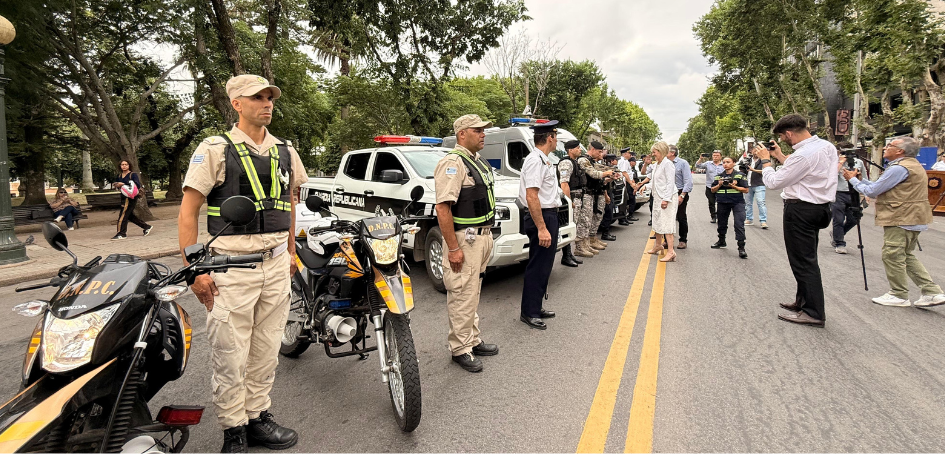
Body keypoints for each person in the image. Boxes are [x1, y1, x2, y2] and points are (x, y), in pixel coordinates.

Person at [178, 74, 307, 452]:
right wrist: (194, 270)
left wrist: (292, 252)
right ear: (237, 103)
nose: (267, 103)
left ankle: (257, 417)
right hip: (231, 267)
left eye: (270, 97)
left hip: (276, 264)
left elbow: (289, 205)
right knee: (230, 353)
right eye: (257, 97)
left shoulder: (286, 151)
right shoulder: (215, 149)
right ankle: (233, 428)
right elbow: (188, 212)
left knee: (266, 349)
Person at [754, 114, 837, 327]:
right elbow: (802, 171)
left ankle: (813, 312)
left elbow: (774, 182)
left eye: (782, 137)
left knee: (802, 262)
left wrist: (765, 161)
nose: (782, 140)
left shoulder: (803, 155)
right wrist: (780, 156)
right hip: (820, 208)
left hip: (801, 210)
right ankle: (803, 301)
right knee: (807, 257)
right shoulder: (826, 147)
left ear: (789, 133)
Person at [843, 137, 945, 307]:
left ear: (900, 151)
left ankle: (899, 294)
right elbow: (881, 186)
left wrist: (852, 180)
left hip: (901, 217)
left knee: (892, 255)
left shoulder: (899, 168)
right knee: (905, 255)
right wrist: (860, 180)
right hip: (913, 216)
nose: (885, 147)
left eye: (890, 145)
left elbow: (873, 192)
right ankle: (931, 291)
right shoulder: (911, 165)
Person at [433, 114, 500, 372]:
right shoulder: (453, 163)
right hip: (465, 238)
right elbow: (443, 208)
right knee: (462, 292)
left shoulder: (477, 161)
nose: (483, 134)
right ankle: (460, 348)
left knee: (472, 291)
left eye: (484, 130)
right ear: (462, 134)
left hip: (481, 237)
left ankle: (472, 339)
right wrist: (452, 248)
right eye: (478, 130)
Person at [519, 120, 563, 330]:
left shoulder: (543, 159)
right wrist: (542, 227)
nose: (557, 141)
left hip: (548, 214)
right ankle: (529, 312)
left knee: (544, 265)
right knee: (538, 265)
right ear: (550, 138)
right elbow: (532, 195)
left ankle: (536, 305)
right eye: (556, 137)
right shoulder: (535, 160)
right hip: (541, 216)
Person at [830, 142, 866, 254]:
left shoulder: (859, 162)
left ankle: (837, 234)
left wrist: (866, 195)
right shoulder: (834, 162)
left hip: (853, 193)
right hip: (838, 193)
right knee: (838, 219)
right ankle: (839, 243)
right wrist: (840, 162)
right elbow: (830, 177)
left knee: (854, 219)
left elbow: (864, 178)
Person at [578, 141, 614, 253]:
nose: (600, 154)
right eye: (599, 151)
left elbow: (599, 175)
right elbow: (594, 174)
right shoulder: (583, 160)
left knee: (594, 218)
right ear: (592, 149)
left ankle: (590, 241)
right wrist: (606, 173)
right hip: (586, 194)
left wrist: (610, 176)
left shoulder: (591, 161)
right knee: (584, 221)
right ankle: (581, 246)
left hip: (594, 193)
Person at [710, 157, 749, 259]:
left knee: (739, 224)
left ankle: (741, 248)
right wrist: (719, 185)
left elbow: (746, 190)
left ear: (734, 163)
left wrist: (735, 186)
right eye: (724, 163)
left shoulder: (740, 175)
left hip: (737, 202)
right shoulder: (719, 177)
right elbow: (712, 190)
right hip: (722, 202)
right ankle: (721, 241)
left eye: (728, 162)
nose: (725, 164)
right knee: (721, 223)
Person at [646, 141, 677, 262]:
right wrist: (646, 186)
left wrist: (666, 199)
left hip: (666, 197)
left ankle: (671, 251)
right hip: (658, 196)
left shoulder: (667, 164)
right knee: (657, 221)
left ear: (661, 151)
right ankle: (658, 245)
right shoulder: (657, 164)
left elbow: (670, 183)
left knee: (667, 224)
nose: (653, 154)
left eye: (654, 152)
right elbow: (655, 181)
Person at [557, 139, 587, 265]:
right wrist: (569, 201)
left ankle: (569, 254)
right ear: (571, 150)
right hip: (572, 197)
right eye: (578, 148)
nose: (580, 150)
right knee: (570, 226)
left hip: (577, 197)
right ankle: (566, 256)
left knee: (574, 225)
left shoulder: (574, 162)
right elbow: (564, 183)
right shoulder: (566, 163)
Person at [111, 160, 153, 240]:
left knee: (123, 215)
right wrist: (117, 185)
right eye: (122, 164)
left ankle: (121, 233)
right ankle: (146, 227)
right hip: (123, 196)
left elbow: (137, 184)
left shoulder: (133, 175)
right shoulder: (119, 175)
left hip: (131, 197)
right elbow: (119, 186)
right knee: (129, 215)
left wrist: (123, 184)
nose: (124, 166)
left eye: (126, 164)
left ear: (129, 165)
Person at [667, 145, 693, 249]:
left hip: (680, 192)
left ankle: (683, 240)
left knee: (681, 216)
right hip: (668, 192)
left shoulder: (683, 163)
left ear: (672, 153)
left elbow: (688, 181)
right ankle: (667, 241)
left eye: (666, 151)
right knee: (668, 217)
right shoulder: (665, 163)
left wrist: (682, 195)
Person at [743, 146, 769, 229]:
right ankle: (749, 219)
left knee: (761, 202)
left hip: (759, 184)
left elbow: (766, 171)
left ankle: (763, 221)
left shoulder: (763, 161)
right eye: (754, 150)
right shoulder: (748, 160)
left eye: (758, 151)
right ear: (752, 151)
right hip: (748, 184)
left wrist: (753, 170)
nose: (756, 152)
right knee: (748, 203)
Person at [695, 150, 724, 223]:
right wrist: (700, 159)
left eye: (717, 156)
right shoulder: (708, 164)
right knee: (711, 202)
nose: (715, 157)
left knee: (721, 202)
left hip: (721, 186)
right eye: (714, 155)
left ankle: (720, 216)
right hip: (710, 186)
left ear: (720, 157)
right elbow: (698, 166)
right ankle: (713, 216)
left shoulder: (724, 164)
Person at [596, 154, 619, 241]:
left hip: (609, 191)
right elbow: (603, 183)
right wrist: (606, 195)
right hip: (605, 191)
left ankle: (606, 232)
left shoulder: (608, 168)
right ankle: (605, 233)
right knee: (607, 212)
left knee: (609, 212)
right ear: (611, 161)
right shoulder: (604, 168)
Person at [617, 148, 641, 225]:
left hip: (626, 183)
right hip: (624, 183)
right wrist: (631, 183)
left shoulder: (625, 161)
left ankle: (624, 217)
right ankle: (622, 219)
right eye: (629, 153)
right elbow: (624, 173)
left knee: (625, 202)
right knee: (625, 202)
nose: (630, 155)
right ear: (625, 154)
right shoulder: (624, 161)